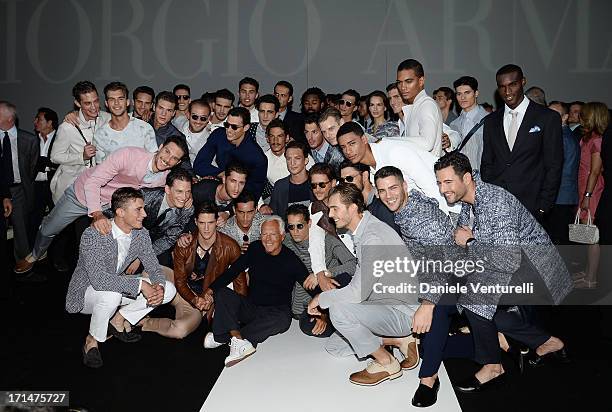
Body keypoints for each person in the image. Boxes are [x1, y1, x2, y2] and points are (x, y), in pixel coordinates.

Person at [434, 151, 572, 393]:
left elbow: (506, 258)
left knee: (474, 299)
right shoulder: (469, 204)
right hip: (513, 267)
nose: (443, 189)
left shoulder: (495, 201)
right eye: (439, 183)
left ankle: (492, 365)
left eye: (448, 182)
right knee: (465, 299)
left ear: (466, 178)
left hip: (536, 272)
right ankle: (546, 342)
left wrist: (469, 242)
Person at [14, 137, 187, 274]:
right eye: (167, 151)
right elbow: (93, 182)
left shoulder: (164, 178)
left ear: (178, 163)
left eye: (174, 158)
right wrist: (96, 213)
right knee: (48, 229)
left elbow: (178, 190)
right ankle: (35, 255)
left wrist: (188, 202)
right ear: (161, 146)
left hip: (111, 206)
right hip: (82, 195)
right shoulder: (128, 155)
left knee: (98, 247)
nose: (167, 159)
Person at [374, 166, 471, 407]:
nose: (389, 195)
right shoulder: (406, 208)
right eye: (383, 191)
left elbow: (446, 258)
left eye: (393, 188)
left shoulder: (419, 218)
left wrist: (427, 304)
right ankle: (491, 339)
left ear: (405, 186)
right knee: (427, 341)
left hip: (459, 274)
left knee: (432, 319)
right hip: (437, 274)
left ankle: (429, 379)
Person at [307, 184, 419, 386]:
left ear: (352, 208)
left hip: (402, 312)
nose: (330, 215)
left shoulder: (372, 237)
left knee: (339, 311)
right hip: (382, 304)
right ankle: (399, 340)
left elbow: (357, 292)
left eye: (335, 208)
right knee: (335, 347)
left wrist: (321, 298)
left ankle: (387, 362)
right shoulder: (365, 230)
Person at [65, 187, 177, 368]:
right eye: (138, 209)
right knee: (112, 295)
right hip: (86, 293)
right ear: (120, 212)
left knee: (169, 290)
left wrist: (158, 286)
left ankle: (118, 319)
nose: (145, 214)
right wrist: (141, 285)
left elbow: (154, 267)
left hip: (115, 286)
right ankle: (91, 340)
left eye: (143, 208)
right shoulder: (93, 234)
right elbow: (99, 280)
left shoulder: (141, 234)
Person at [202, 216, 311, 367]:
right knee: (221, 293)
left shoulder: (291, 260)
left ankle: (227, 337)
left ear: (282, 236)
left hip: (275, 312)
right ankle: (236, 341)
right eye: (264, 235)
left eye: (272, 234)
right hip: (251, 308)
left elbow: (310, 286)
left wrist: (324, 313)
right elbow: (234, 270)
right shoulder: (255, 248)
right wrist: (210, 289)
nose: (268, 239)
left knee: (283, 320)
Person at [142, 202, 247, 340]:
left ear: (217, 222)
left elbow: (240, 284)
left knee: (180, 330)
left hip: (200, 301)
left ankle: (145, 323)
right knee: (147, 272)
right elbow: (179, 280)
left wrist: (238, 314)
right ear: (196, 222)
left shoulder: (230, 247)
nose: (207, 228)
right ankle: (137, 310)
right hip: (179, 287)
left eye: (210, 222)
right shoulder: (185, 243)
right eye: (202, 223)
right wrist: (192, 298)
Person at [480, 64, 563, 221]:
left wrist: (543, 206)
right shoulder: (491, 121)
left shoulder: (547, 117)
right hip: (498, 206)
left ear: (523, 82)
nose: (507, 92)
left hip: (533, 206)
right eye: (502, 87)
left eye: (513, 85)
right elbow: (487, 162)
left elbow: (554, 165)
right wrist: (490, 198)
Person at [336, 121, 454, 215]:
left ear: (364, 139)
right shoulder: (372, 170)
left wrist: (445, 222)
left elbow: (431, 185)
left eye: (352, 143)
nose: (348, 151)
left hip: (449, 208)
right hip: (423, 214)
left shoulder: (393, 152)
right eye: (343, 147)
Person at [283, 204, 356, 337]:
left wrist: (322, 273)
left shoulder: (327, 240)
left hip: (328, 295)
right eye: (291, 227)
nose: (295, 231)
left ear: (309, 223)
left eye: (300, 226)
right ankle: (336, 320)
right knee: (308, 326)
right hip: (302, 305)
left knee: (343, 280)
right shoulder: (286, 241)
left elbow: (353, 265)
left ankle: (336, 318)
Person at [193, 107, 267, 201]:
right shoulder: (219, 135)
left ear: (246, 127)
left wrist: (229, 211)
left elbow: (253, 192)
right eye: (227, 125)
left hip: (240, 198)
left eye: (234, 127)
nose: (229, 130)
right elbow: (199, 165)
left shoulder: (257, 157)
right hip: (217, 187)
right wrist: (222, 174)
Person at [573, 102, 608, 289]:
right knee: (588, 234)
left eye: (584, 114)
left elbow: (595, 171)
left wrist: (587, 195)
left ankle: (592, 279)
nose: (581, 117)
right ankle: (588, 272)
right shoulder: (588, 137)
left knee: (592, 235)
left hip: (592, 189)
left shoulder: (598, 140)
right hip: (584, 187)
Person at [0, 101, 39, 261]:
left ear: (9, 118)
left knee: (21, 231)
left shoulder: (29, 140)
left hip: (19, 191)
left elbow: (32, 168)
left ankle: (23, 268)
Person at [92, 82, 158, 163]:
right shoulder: (100, 135)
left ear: (127, 102)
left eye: (120, 99)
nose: (116, 103)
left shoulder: (145, 129)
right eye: (112, 99)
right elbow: (100, 169)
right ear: (106, 103)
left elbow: (154, 163)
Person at [544, 101, 580, 244]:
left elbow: (556, 168)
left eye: (554, 114)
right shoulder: (563, 135)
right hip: (563, 195)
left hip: (560, 195)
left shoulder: (562, 138)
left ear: (565, 117)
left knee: (558, 239)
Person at [396, 59, 443, 156]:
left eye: (408, 81)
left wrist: (389, 141)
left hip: (427, 169)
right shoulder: (416, 106)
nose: (403, 87)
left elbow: (427, 143)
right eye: (399, 82)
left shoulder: (427, 105)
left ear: (421, 81)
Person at [339, 160, 399, 233]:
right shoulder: (362, 207)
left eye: (349, 178)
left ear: (365, 176)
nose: (345, 184)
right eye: (342, 180)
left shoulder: (382, 205)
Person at [448, 76, 488, 172]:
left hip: (483, 177)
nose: (462, 97)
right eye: (459, 94)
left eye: (467, 93)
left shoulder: (489, 120)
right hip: (461, 177)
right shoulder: (453, 125)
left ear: (476, 93)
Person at [269, 140, 313, 217]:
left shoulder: (316, 182)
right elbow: (274, 217)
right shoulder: (280, 186)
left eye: (297, 158)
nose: (292, 163)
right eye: (289, 159)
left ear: (306, 160)